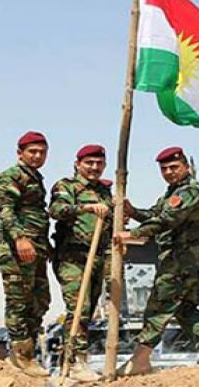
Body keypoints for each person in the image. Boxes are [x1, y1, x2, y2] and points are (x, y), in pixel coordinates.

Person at [115, 147, 199, 376]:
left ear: (186, 166)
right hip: (182, 258)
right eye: (164, 169)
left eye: (174, 167)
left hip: (182, 258)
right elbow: (155, 214)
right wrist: (133, 211)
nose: (169, 172)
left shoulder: (191, 191)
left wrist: (133, 234)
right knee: (185, 308)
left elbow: (167, 219)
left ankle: (141, 358)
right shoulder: (172, 193)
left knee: (158, 305)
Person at [49, 144, 113, 382]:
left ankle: (74, 360)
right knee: (79, 308)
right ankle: (74, 361)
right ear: (78, 164)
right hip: (72, 257)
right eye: (89, 163)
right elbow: (57, 210)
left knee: (89, 310)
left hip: (97, 256)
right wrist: (86, 208)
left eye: (99, 163)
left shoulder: (105, 191)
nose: (94, 167)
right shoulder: (67, 186)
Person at [0, 131, 52, 378]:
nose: (37, 156)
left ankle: (29, 352)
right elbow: (6, 210)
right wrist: (20, 238)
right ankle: (21, 355)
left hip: (36, 248)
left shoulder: (35, 178)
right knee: (19, 301)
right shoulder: (11, 176)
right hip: (16, 248)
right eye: (32, 151)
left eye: (42, 152)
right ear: (20, 153)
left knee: (40, 300)